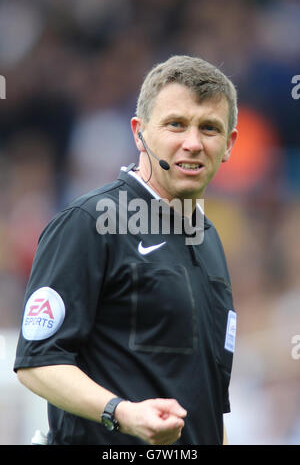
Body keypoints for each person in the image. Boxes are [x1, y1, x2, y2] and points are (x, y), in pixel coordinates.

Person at [14, 55, 238, 445]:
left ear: (229, 144)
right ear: (139, 133)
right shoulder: (89, 222)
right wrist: (122, 412)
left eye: (209, 128)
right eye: (175, 124)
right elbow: (38, 362)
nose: (193, 143)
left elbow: (209, 399)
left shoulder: (210, 239)